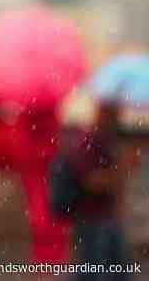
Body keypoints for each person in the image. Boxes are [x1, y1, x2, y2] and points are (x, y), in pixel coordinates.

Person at [54, 100, 131, 280]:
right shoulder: (90, 142)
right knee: (95, 269)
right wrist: (122, 169)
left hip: (105, 219)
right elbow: (92, 182)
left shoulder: (105, 141)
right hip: (93, 219)